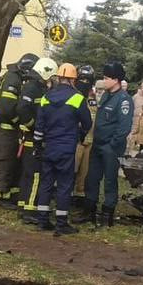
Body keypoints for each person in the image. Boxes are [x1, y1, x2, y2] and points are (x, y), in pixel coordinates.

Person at [32, 63, 93, 235]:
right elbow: (87, 123)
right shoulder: (78, 98)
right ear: (74, 79)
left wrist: (37, 145)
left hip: (48, 146)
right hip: (66, 147)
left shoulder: (46, 97)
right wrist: (80, 135)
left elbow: (39, 125)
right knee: (65, 185)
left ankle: (42, 220)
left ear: (58, 77)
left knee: (46, 183)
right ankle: (61, 223)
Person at [83, 61, 132, 227]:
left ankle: (107, 215)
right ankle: (89, 211)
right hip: (98, 144)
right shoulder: (106, 95)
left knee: (110, 181)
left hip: (111, 147)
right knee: (92, 179)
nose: (104, 81)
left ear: (116, 79)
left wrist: (112, 145)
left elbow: (124, 127)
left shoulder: (124, 100)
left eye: (107, 78)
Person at [0, 52, 38, 210]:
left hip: (12, 130)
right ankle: (0, 197)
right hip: (6, 129)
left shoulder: (17, 78)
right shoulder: (12, 78)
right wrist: (20, 121)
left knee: (13, 164)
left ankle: (11, 195)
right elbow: (7, 106)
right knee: (4, 162)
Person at [18, 58, 57, 223]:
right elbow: (22, 109)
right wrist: (34, 126)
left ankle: (23, 206)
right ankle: (30, 211)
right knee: (34, 176)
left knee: (27, 175)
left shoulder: (36, 87)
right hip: (33, 139)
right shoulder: (33, 88)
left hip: (31, 139)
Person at [71, 64, 97, 219]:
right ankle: (66, 195)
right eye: (82, 79)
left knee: (84, 173)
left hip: (90, 140)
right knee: (71, 170)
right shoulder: (73, 96)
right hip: (75, 140)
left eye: (88, 80)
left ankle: (79, 197)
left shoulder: (93, 98)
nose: (85, 82)